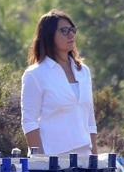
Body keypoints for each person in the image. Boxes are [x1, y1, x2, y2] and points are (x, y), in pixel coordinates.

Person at [20, 9, 98, 156]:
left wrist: (94, 158)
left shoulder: (83, 71)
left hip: (84, 158)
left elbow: (90, 120)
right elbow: (29, 123)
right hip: (53, 159)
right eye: (64, 31)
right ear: (49, 36)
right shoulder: (35, 74)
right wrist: (41, 161)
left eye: (72, 30)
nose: (71, 35)